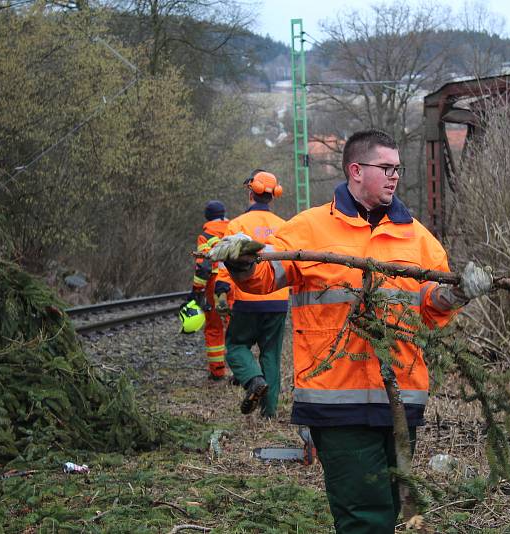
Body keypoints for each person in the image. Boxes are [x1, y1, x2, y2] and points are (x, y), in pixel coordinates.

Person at [210, 129, 492, 533]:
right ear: (356, 170)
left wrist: (459, 294)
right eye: (386, 168)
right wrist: (240, 262)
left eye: (398, 168)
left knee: (389, 508)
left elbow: (430, 309)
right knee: (364, 515)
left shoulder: (417, 237)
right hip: (336, 401)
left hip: (402, 398)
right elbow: (263, 277)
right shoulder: (309, 229)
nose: (395, 176)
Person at [214, 170, 289, 418]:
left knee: (236, 346)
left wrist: (222, 291)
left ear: (250, 192)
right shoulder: (283, 226)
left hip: (246, 300)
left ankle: (253, 380)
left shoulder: (236, 225)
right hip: (277, 301)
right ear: (273, 196)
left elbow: (226, 264)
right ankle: (269, 412)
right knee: (271, 355)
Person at [191, 200, 229, 380]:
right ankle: (240, 371)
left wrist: (196, 290)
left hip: (215, 284)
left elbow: (203, 266)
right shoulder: (234, 229)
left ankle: (217, 371)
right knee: (234, 326)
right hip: (236, 283)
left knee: (214, 327)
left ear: (207, 216)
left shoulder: (205, 236)